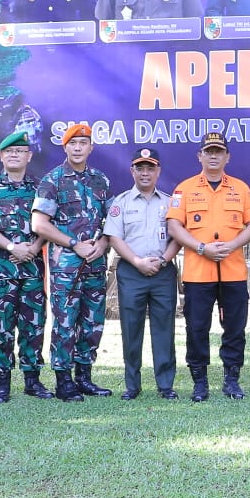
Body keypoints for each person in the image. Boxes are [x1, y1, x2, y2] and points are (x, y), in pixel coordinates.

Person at [166, 132, 250, 401]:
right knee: (196, 328)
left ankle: (232, 380)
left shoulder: (241, 188)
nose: (214, 156)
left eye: (219, 151)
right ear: (200, 156)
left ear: (227, 156)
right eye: (209, 151)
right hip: (198, 271)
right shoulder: (184, 189)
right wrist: (201, 248)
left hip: (233, 271)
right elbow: (174, 225)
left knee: (235, 327)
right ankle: (200, 382)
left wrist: (232, 245)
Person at [33, 123, 113, 402]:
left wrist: (103, 243)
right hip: (66, 265)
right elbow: (39, 224)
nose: (78, 148)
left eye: (83, 143)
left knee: (93, 322)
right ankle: (63, 380)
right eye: (73, 143)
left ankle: (84, 377)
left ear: (91, 147)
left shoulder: (100, 180)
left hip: (95, 263)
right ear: (64, 147)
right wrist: (73, 244)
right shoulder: (52, 180)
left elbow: (111, 221)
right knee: (65, 322)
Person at [0, 130, 51, 402]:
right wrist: (12, 247)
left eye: (20, 151)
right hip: (0, 270)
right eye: (9, 152)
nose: (15, 155)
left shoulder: (40, 187)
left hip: (32, 267)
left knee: (34, 326)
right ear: (1, 157)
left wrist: (32, 247)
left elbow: (47, 223)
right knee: (1, 327)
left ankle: (33, 381)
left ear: (29, 156)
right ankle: (2, 383)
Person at [106, 146, 181, 400]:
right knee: (131, 329)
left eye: (151, 168)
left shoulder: (170, 202)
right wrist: (137, 261)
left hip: (162, 271)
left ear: (158, 171)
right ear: (132, 171)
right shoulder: (121, 202)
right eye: (140, 168)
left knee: (164, 328)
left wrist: (163, 260)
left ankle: (165, 385)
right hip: (132, 271)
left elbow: (178, 237)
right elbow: (115, 237)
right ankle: (132, 385)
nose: (145, 173)